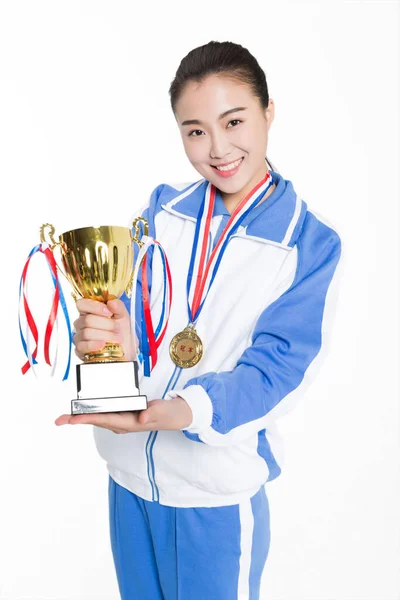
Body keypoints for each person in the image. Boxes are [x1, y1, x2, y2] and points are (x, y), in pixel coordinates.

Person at [55, 40, 343, 600]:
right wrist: (103, 337)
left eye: (233, 121)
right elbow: (135, 326)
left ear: (268, 111)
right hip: (128, 481)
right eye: (195, 130)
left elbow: (277, 370)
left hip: (214, 497)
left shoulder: (308, 243)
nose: (217, 148)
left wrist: (183, 410)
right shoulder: (162, 211)